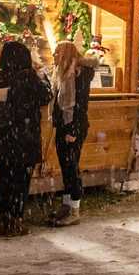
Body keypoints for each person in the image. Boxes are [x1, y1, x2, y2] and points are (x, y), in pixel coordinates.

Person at [0, 41, 52, 237]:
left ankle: (4, 219)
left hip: (3, 137)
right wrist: (44, 77)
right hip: (25, 138)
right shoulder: (29, 79)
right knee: (21, 182)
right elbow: (46, 96)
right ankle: (16, 220)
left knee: (5, 179)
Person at [49, 40, 99, 227]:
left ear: (65, 54)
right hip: (65, 125)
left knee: (71, 167)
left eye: (56, 52)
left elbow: (78, 105)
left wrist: (73, 130)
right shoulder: (64, 73)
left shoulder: (79, 74)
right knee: (66, 166)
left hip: (73, 126)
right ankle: (67, 205)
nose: (54, 55)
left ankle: (74, 210)